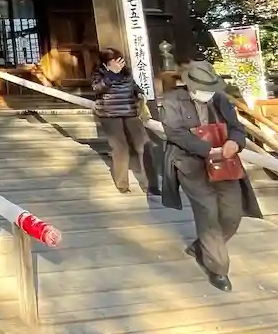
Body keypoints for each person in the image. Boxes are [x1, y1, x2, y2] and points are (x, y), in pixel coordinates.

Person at [159, 60, 262, 292]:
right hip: (190, 163)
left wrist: (234, 142)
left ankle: (202, 246)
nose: (208, 93)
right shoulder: (172, 100)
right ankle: (218, 268)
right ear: (191, 85)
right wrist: (207, 149)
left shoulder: (220, 99)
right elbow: (175, 133)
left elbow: (237, 127)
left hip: (224, 163)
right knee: (208, 211)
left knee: (232, 212)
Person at [91, 47, 160, 197]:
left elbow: (133, 86)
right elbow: (98, 88)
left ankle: (151, 185)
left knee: (144, 146)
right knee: (120, 148)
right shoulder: (99, 74)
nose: (120, 63)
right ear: (106, 63)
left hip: (130, 112)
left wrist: (139, 93)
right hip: (109, 115)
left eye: (121, 60)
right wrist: (112, 74)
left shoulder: (126, 73)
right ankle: (122, 184)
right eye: (116, 61)